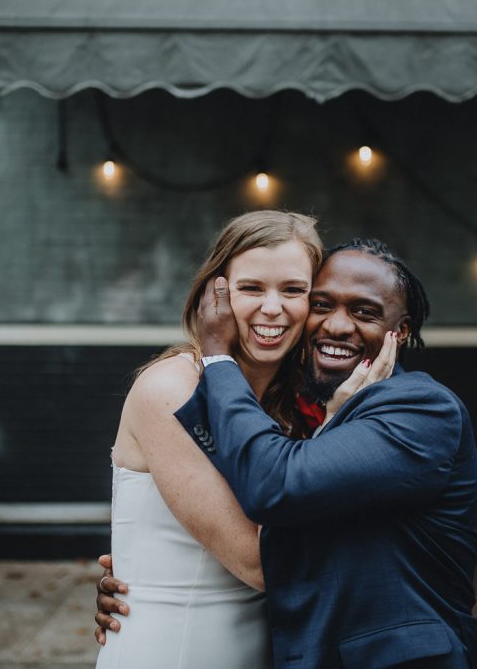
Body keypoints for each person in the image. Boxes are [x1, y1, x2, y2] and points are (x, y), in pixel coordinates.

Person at [97, 239, 477, 669]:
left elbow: (276, 490)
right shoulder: (296, 406)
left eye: (364, 311)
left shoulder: (421, 409)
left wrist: (217, 357)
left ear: (402, 330)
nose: (337, 326)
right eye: (321, 304)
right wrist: (152, 576)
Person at [94, 210, 324, 669]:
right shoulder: (171, 388)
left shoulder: (297, 403)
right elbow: (258, 562)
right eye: (252, 288)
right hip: (171, 649)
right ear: (215, 294)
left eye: (294, 289)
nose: (273, 307)